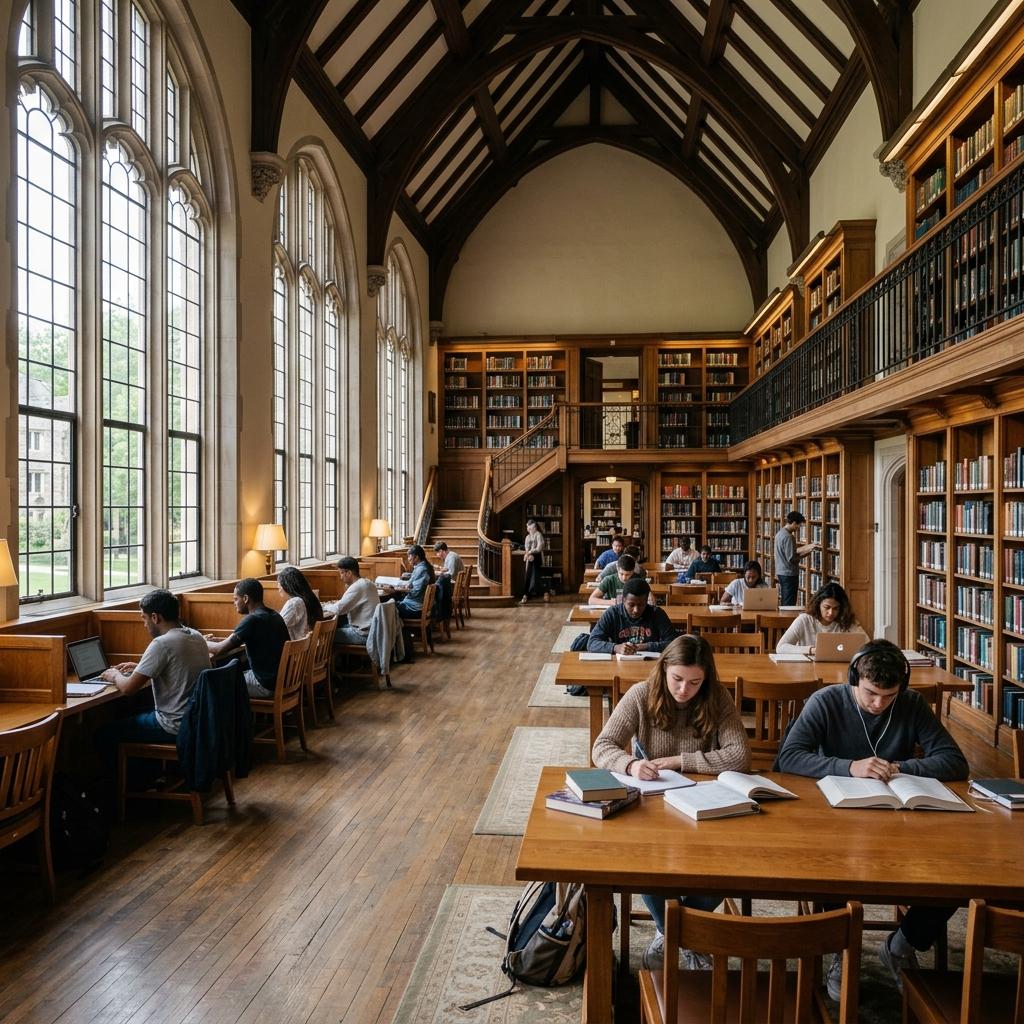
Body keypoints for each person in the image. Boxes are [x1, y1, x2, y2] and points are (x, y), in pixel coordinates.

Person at [774, 640, 969, 999]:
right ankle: (839, 951)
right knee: (829, 869)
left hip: (899, 817)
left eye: (888, 695)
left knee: (956, 873)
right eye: (870, 693)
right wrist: (850, 766)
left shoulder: (909, 704)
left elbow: (955, 762)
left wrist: (899, 768)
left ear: (902, 688)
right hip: (834, 816)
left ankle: (901, 945)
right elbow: (788, 758)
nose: (878, 703)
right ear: (854, 678)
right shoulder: (827, 701)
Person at [592, 634, 751, 970]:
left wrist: (681, 761)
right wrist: (631, 764)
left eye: (695, 682)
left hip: (704, 802)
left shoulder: (716, 698)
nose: (684, 690)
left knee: (728, 866)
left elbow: (739, 756)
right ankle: (680, 934)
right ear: (664, 669)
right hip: (653, 805)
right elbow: (602, 746)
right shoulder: (640, 695)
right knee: (645, 865)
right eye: (677, 679)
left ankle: (678, 933)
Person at [95, 589, 211, 770]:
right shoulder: (195, 635)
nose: (144, 624)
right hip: (199, 720)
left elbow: (128, 689)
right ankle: (150, 778)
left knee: (104, 733)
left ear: (155, 617)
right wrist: (140, 667)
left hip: (174, 725)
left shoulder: (161, 643)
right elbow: (175, 665)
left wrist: (114, 675)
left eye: (144, 618)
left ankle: (121, 792)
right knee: (133, 710)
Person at [207, 577, 290, 698]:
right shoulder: (274, 615)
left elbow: (219, 649)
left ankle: (232, 717)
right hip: (284, 680)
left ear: (245, 599)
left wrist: (201, 641)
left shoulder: (252, 620)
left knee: (214, 683)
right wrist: (218, 641)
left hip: (265, 685)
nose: (234, 603)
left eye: (236, 599)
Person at [586, 578, 678, 654]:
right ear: (623, 600)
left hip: (649, 664)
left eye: (641, 605)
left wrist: (645, 646)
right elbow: (592, 643)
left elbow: (674, 644)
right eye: (631, 605)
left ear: (647, 601)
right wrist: (615, 647)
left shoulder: (657, 613)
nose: (636, 610)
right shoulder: (612, 613)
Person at [777, 582, 866, 655]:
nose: (831, 613)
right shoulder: (805, 620)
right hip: (807, 670)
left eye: (836, 608)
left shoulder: (846, 621)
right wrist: (811, 650)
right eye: (827, 607)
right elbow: (780, 648)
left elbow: (867, 645)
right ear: (818, 604)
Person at [324, 556, 380, 646]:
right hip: (373, 631)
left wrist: (324, 606)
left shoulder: (357, 586)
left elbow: (339, 609)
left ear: (349, 573)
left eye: (341, 573)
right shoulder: (368, 583)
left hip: (364, 634)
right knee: (340, 626)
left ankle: (335, 660)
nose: (340, 577)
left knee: (324, 635)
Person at [774, 511, 817, 606]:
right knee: (789, 602)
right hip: (789, 573)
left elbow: (787, 552)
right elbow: (792, 559)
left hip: (781, 572)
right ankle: (786, 620)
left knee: (785, 599)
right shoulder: (789, 537)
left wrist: (803, 549)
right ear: (793, 523)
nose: (798, 528)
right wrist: (807, 552)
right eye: (798, 525)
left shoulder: (780, 533)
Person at [382, 544, 435, 619]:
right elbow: (414, 584)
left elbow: (415, 592)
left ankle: (395, 630)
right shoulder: (422, 567)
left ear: (416, 557)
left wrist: (397, 589)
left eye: (410, 556)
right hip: (415, 604)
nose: (408, 559)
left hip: (414, 608)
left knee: (384, 609)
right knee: (389, 603)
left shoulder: (422, 569)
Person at [277, 565, 324, 640]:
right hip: (308, 648)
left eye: (279, 585)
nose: (278, 588)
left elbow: (278, 627)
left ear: (287, 585)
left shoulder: (295, 603)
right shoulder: (310, 597)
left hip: (297, 649)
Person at [520, 518, 545, 603]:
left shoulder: (539, 535)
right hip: (530, 557)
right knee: (528, 575)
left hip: (537, 557)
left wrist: (530, 553)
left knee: (536, 577)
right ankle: (525, 594)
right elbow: (526, 548)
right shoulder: (527, 537)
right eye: (528, 528)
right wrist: (528, 554)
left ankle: (528, 594)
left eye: (530, 528)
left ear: (534, 528)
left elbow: (539, 548)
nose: (528, 530)